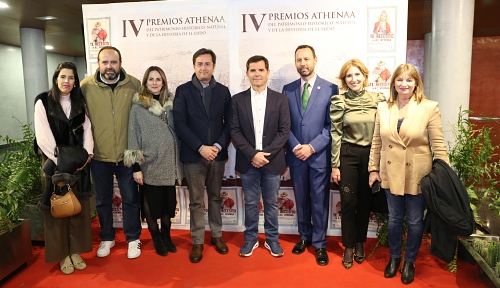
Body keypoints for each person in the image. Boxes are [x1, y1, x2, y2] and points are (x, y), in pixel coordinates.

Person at [368, 63, 449, 284]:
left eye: (409, 80)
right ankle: (394, 259)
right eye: (400, 80)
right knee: (394, 219)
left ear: (416, 83)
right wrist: (373, 169)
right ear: (393, 82)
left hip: (418, 173)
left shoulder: (429, 107)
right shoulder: (383, 108)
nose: (404, 84)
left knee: (414, 221)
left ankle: (410, 261)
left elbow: (439, 145)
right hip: (390, 171)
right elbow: (376, 142)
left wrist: (444, 174)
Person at [80, 46, 143, 259]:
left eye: (113, 62)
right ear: (98, 64)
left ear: (120, 63)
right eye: (105, 62)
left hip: (127, 155)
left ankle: (133, 238)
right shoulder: (85, 87)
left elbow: (141, 122)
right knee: (103, 200)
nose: (109, 66)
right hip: (98, 156)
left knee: (131, 199)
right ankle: (107, 237)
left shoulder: (134, 84)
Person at [173, 48, 232, 263]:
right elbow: (180, 124)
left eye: (207, 64)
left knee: (216, 197)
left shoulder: (224, 92)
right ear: (194, 66)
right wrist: (200, 147)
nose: (203, 68)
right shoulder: (183, 91)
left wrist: (216, 145)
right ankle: (197, 241)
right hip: (193, 156)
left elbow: (229, 124)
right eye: (199, 64)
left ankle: (217, 235)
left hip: (217, 155)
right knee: (196, 201)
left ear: (213, 66)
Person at [34, 61, 93, 274]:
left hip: (78, 164)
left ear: (75, 82)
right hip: (54, 163)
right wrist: (62, 161)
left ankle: (76, 250)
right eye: (63, 77)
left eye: (70, 78)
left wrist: (87, 156)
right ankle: (62, 254)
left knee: (77, 207)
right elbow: (43, 138)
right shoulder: (43, 101)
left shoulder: (80, 102)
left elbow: (87, 130)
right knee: (57, 207)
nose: (66, 81)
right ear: (56, 78)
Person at [282, 45, 338, 266]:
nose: (302, 63)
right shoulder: (287, 90)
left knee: (319, 203)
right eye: (298, 60)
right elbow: (284, 124)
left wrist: (312, 147)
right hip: (296, 156)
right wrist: (296, 146)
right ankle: (304, 237)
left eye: (306, 59)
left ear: (315, 59)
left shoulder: (331, 88)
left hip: (318, 157)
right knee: (302, 200)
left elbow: (332, 125)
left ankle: (320, 243)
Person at [230, 55, 290, 258]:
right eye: (253, 70)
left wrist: (266, 155)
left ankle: (272, 240)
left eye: (261, 70)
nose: (257, 74)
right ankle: (251, 239)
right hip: (248, 162)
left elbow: (284, 131)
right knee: (251, 202)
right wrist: (253, 155)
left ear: (268, 72)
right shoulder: (237, 100)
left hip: (272, 162)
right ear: (247, 73)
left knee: (272, 202)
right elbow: (235, 131)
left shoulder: (280, 99)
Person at [330, 59, 386, 270]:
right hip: (348, 156)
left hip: (371, 157)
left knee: (365, 203)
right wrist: (335, 165)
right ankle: (348, 246)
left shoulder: (378, 99)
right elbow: (335, 133)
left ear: (365, 76)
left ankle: (360, 242)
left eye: (357, 75)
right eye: (349, 76)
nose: (353, 79)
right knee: (348, 203)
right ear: (344, 80)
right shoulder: (339, 101)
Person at [124, 66, 183, 256]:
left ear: (164, 82)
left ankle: (166, 235)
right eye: (151, 79)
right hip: (149, 165)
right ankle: (155, 237)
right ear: (145, 82)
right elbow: (133, 138)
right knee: (150, 203)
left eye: (158, 79)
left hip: (170, 164)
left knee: (167, 204)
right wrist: (136, 168)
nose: (155, 83)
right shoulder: (138, 107)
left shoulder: (172, 105)